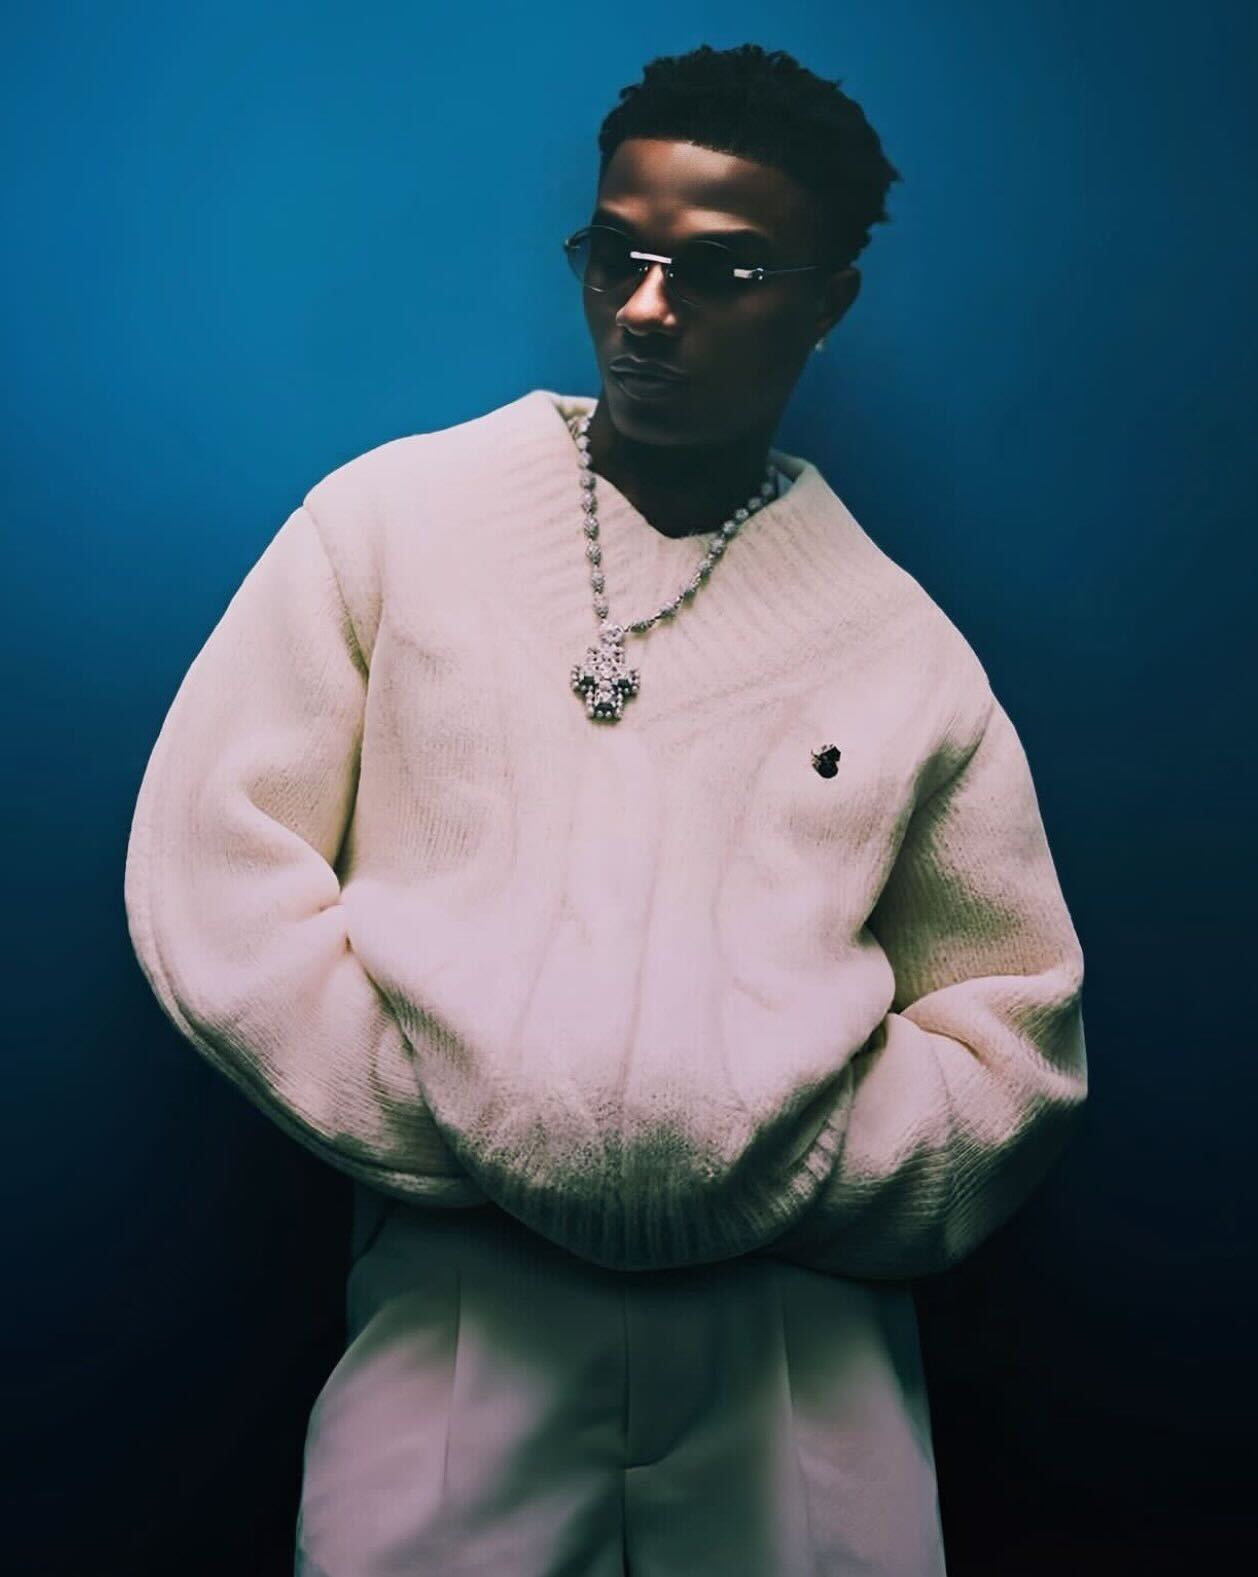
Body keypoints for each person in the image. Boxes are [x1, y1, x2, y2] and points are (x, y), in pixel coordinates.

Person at [123, 42, 1088, 1577]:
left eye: (719, 271)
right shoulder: (391, 527)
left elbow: (1013, 1021)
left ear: (828, 301)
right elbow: (214, 867)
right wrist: (463, 1127)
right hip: (462, 1301)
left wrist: (785, 1174)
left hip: (798, 1340)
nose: (644, 308)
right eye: (615, 254)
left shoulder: (899, 645)